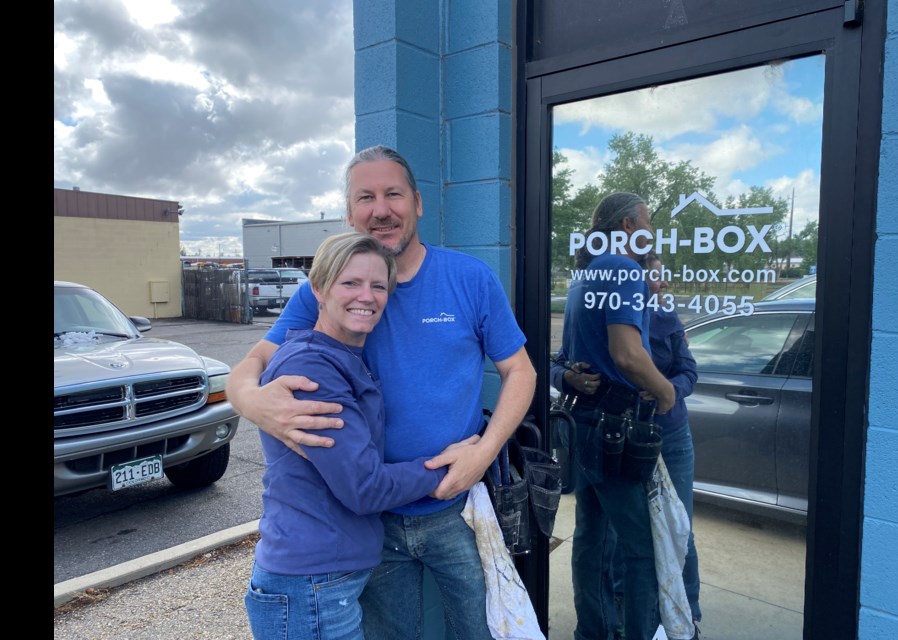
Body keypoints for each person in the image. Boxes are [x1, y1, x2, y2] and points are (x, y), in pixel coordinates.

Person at [226, 145, 537, 640]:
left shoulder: (469, 278)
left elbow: (520, 371)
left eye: (393, 194)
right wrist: (250, 401)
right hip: (372, 519)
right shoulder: (332, 286)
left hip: (456, 509)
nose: (381, 209)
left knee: (485, 631)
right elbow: (254, 362)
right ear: (350, 213)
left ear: (416, 202)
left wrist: (484, 450)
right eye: (365, 197)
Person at [244, 232, 449, 640]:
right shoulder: (312, 370)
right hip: (310, 585)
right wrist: (447, 466)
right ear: (318, 289)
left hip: (324, 578)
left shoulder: (341, 357)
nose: (366, 296)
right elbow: (364, 487)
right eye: (350, 283)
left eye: (378, 285)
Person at [549, 192, 688, 640]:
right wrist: (664, 390)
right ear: (629, 226)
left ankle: (592, 632)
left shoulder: (584, 275)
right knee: (644, 550)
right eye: (647, 222)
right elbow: (627, 355)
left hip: (585, 427)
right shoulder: (624, 269)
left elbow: (570, 356)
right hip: (617, 429)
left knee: (591, 538)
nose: (652, 232)